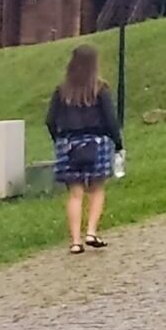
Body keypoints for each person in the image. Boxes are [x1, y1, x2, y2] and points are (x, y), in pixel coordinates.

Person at [46, 44, 120, 254]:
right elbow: (111, 119)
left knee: (75, 193)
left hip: (68, 143)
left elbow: (50, 120)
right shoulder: (100, 88)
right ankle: (92, 231)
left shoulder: (62, 90)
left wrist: (58, 139)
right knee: (97, 188)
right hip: (97, 142)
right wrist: (118, 142)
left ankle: (76, 241)